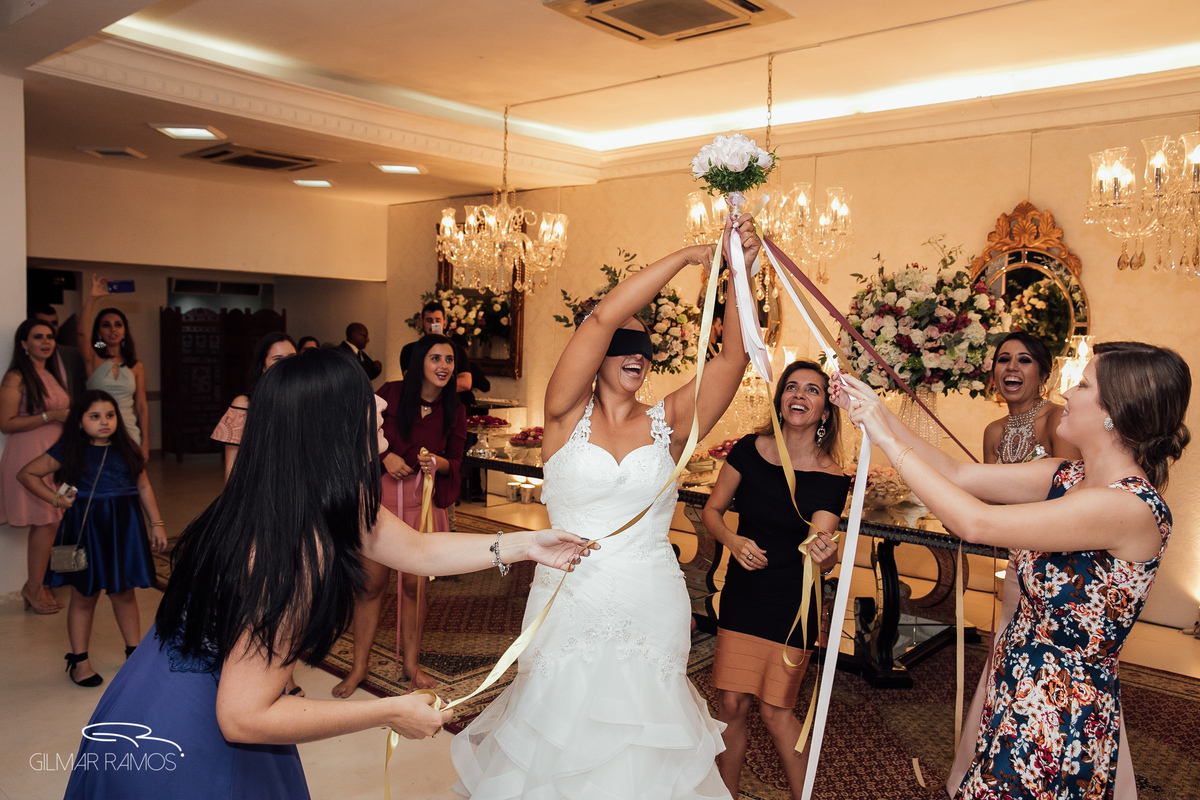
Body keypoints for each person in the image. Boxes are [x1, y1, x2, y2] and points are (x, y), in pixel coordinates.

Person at [61, 347, 592, 800]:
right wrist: (389, 713)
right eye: (365, 398)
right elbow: (243, 718)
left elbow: (419, 550)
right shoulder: (292, 550)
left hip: (151, 690)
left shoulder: (310, 493)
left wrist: (527, 544)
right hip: (184, 737)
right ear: (329, 425)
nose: (382, 402)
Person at [451, 214, 760, 799]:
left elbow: (731, 363)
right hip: (569, 592)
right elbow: (601, 317)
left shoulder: (670, 423)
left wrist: (736, 272)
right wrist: (689, 255)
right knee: (561, 725)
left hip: (650, 594)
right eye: (624, 346)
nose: (636, 355)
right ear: (597, 358)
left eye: (645, 350)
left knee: (643, 731)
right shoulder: (564, 415)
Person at [833, 341, 1190, 800]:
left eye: (1083, 384)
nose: (1067, 392)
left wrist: (882, 439)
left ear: (1113, 413)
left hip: (1055, 704)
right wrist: (876, 412)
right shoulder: (1067, 476)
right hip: (1016, 673)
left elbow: (976, 523)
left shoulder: (1126, 506)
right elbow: (958, 474)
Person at [948, 332, 1142, 796]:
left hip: (1059, 567)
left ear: (1042, 371)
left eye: (1024, 360)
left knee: (1054, 667)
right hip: (1020, 557)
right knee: (1011, 654)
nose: (1011, 368)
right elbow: (981, 486)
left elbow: (1072, 507)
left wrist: (986, 519)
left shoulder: (1062, 424)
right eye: (1002, 360)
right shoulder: (995, 431)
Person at [702, 360, 850, 799]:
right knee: (731, 705)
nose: (799, 395)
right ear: (780, 398)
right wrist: (733, 539)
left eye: (812, 390)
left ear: (825, 410)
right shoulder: (749, 449)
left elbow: (819, 548)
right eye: (791, 387)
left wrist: (827, 556)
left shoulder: (831, 477)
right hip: (744, 595)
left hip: (792, 603)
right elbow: (712, 511)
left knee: (775, 711)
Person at [332, 334, 467, 697]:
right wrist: (383, 457)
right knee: (371, 584)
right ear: (421, 361)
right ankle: (359, 667)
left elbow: (456, 459)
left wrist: (438, 463)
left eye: (450, 360)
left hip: (424, 503)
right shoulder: (390, 393)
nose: (443, 366)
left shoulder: (456, 407)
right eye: (436, 358)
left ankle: (410, 663)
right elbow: (356, 433)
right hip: (385, 499)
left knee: (415, 586)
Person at [18, 390, 167, 687]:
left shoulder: (128, 448)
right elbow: (27, 474)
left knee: (124, 592)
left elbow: (144, 486)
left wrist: (157, 523)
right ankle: (79, 661)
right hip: (88, 531)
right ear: (79, 421)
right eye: (95, 417)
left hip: (124, 529)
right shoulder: (69, 450)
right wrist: (56, 500)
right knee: (85, 595)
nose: (104, 422)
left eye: (110, 416)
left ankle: (133, 655)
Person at [0, 319, 72, 613]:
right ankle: (33, 587)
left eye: (50, 337)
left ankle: (39, 584)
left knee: (53, 521)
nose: (46, 342)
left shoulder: (52, 374)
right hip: (28, 454)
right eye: (38, 337)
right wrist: (50, 416)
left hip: (54, 454)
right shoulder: (16, 377)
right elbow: (5, 423)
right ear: (24, 344)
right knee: (46, 521)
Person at [78, 275, 150, 460]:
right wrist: (92, 298)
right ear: (99, 332)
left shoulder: (135, 365)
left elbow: (141, 406)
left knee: (131, 484)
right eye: (106, 326)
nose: (113, 330)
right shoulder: (94, 358)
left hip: (130, 432)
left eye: (118, 325)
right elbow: (82, 334)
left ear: (125, 331)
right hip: (98, 431)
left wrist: (145, 443)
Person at [211, 332, 297, 479]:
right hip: (259, 489)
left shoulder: (306, 400)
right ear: (262, 366)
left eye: (291, 358)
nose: (286, 365)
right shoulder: (244, 404)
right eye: (277, 359)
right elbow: (233, 467)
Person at [400, 302, 473, 394]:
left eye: (437, 321)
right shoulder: (409, 349)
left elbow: (466, 383)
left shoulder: (457, 349)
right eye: (429, 321)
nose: (434, 325)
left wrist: (434, 387)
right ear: (421, 322)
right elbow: (410, 381)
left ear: (445, 323)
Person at [30, 303, 87, 400]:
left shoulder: (72, 354)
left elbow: (93, 345)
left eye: (54, 323)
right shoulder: (27, 356)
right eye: (44, 323)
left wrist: (101, 343)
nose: (50, 328)